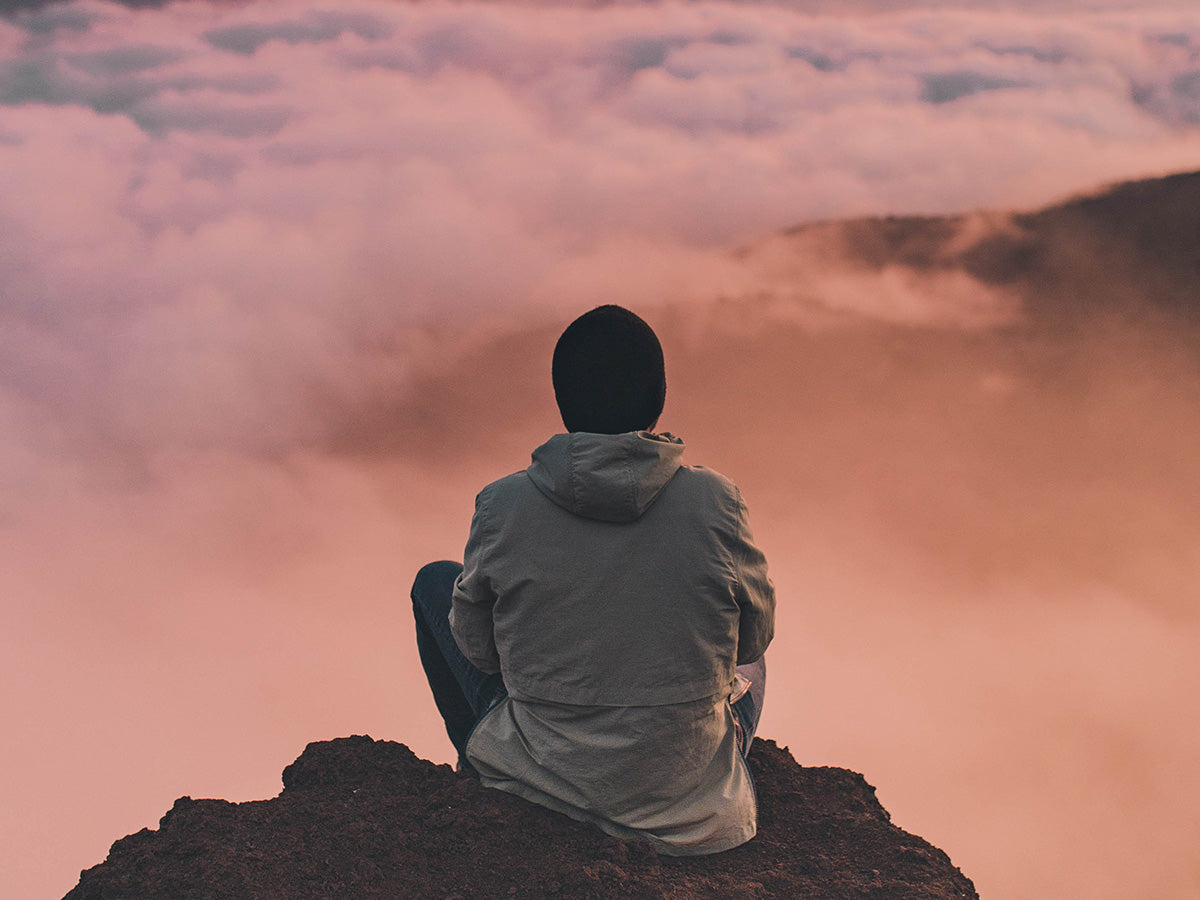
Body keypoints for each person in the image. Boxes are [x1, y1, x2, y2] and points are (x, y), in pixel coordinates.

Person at [410, 304, 775, 855]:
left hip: (542, 775)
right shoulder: (715, 501)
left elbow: (480, 653)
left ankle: (483, 769)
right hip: (689, 800)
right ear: (658, 402)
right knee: (752, 664)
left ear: (563, 402)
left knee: (435, 583)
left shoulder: (502, 504)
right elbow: (751, 640)